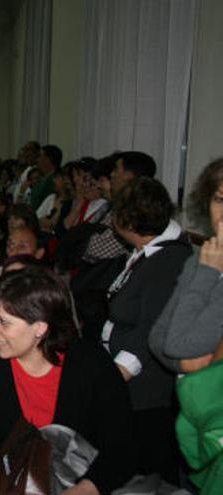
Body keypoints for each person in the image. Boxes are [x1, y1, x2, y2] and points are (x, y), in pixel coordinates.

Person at [0, 267, 137, 495]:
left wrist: (86, 489)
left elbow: (121, 446)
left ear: (40, 327)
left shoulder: (91, 365)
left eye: (3, 321)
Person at [102, 177, 192, 484]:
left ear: (126, 221)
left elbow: (149, 329)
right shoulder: (149, 250)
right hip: (133, 385)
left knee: (147, 474)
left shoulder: (169, 260)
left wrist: (113, 380)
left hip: (146, 392)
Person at [151, 157, 223, 373]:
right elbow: (157, 337)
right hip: (193, 398)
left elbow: (177, 343)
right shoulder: (201, 256)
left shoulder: (206, 264)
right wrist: (184, 364)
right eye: (220, 199)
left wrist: (207, 273)